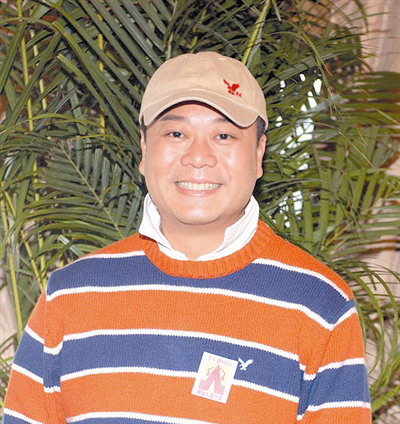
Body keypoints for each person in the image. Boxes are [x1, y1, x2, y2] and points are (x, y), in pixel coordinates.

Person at [3, 51, 371, 424]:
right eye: (176, 133)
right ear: (144, 148)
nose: (198, 157)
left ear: (258, 152)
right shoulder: (69, 297)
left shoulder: (320, 307)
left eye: (224, 135)